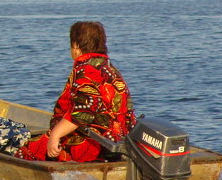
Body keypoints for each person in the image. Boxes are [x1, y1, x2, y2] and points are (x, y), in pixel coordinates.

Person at [19, 21, 136, 162]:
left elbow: (83, 113)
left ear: (75, 46)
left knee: (24, 152)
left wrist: (55, 135)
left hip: (94, 144)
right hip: (119, 141)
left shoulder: (86, 71)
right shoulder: (109, 69)